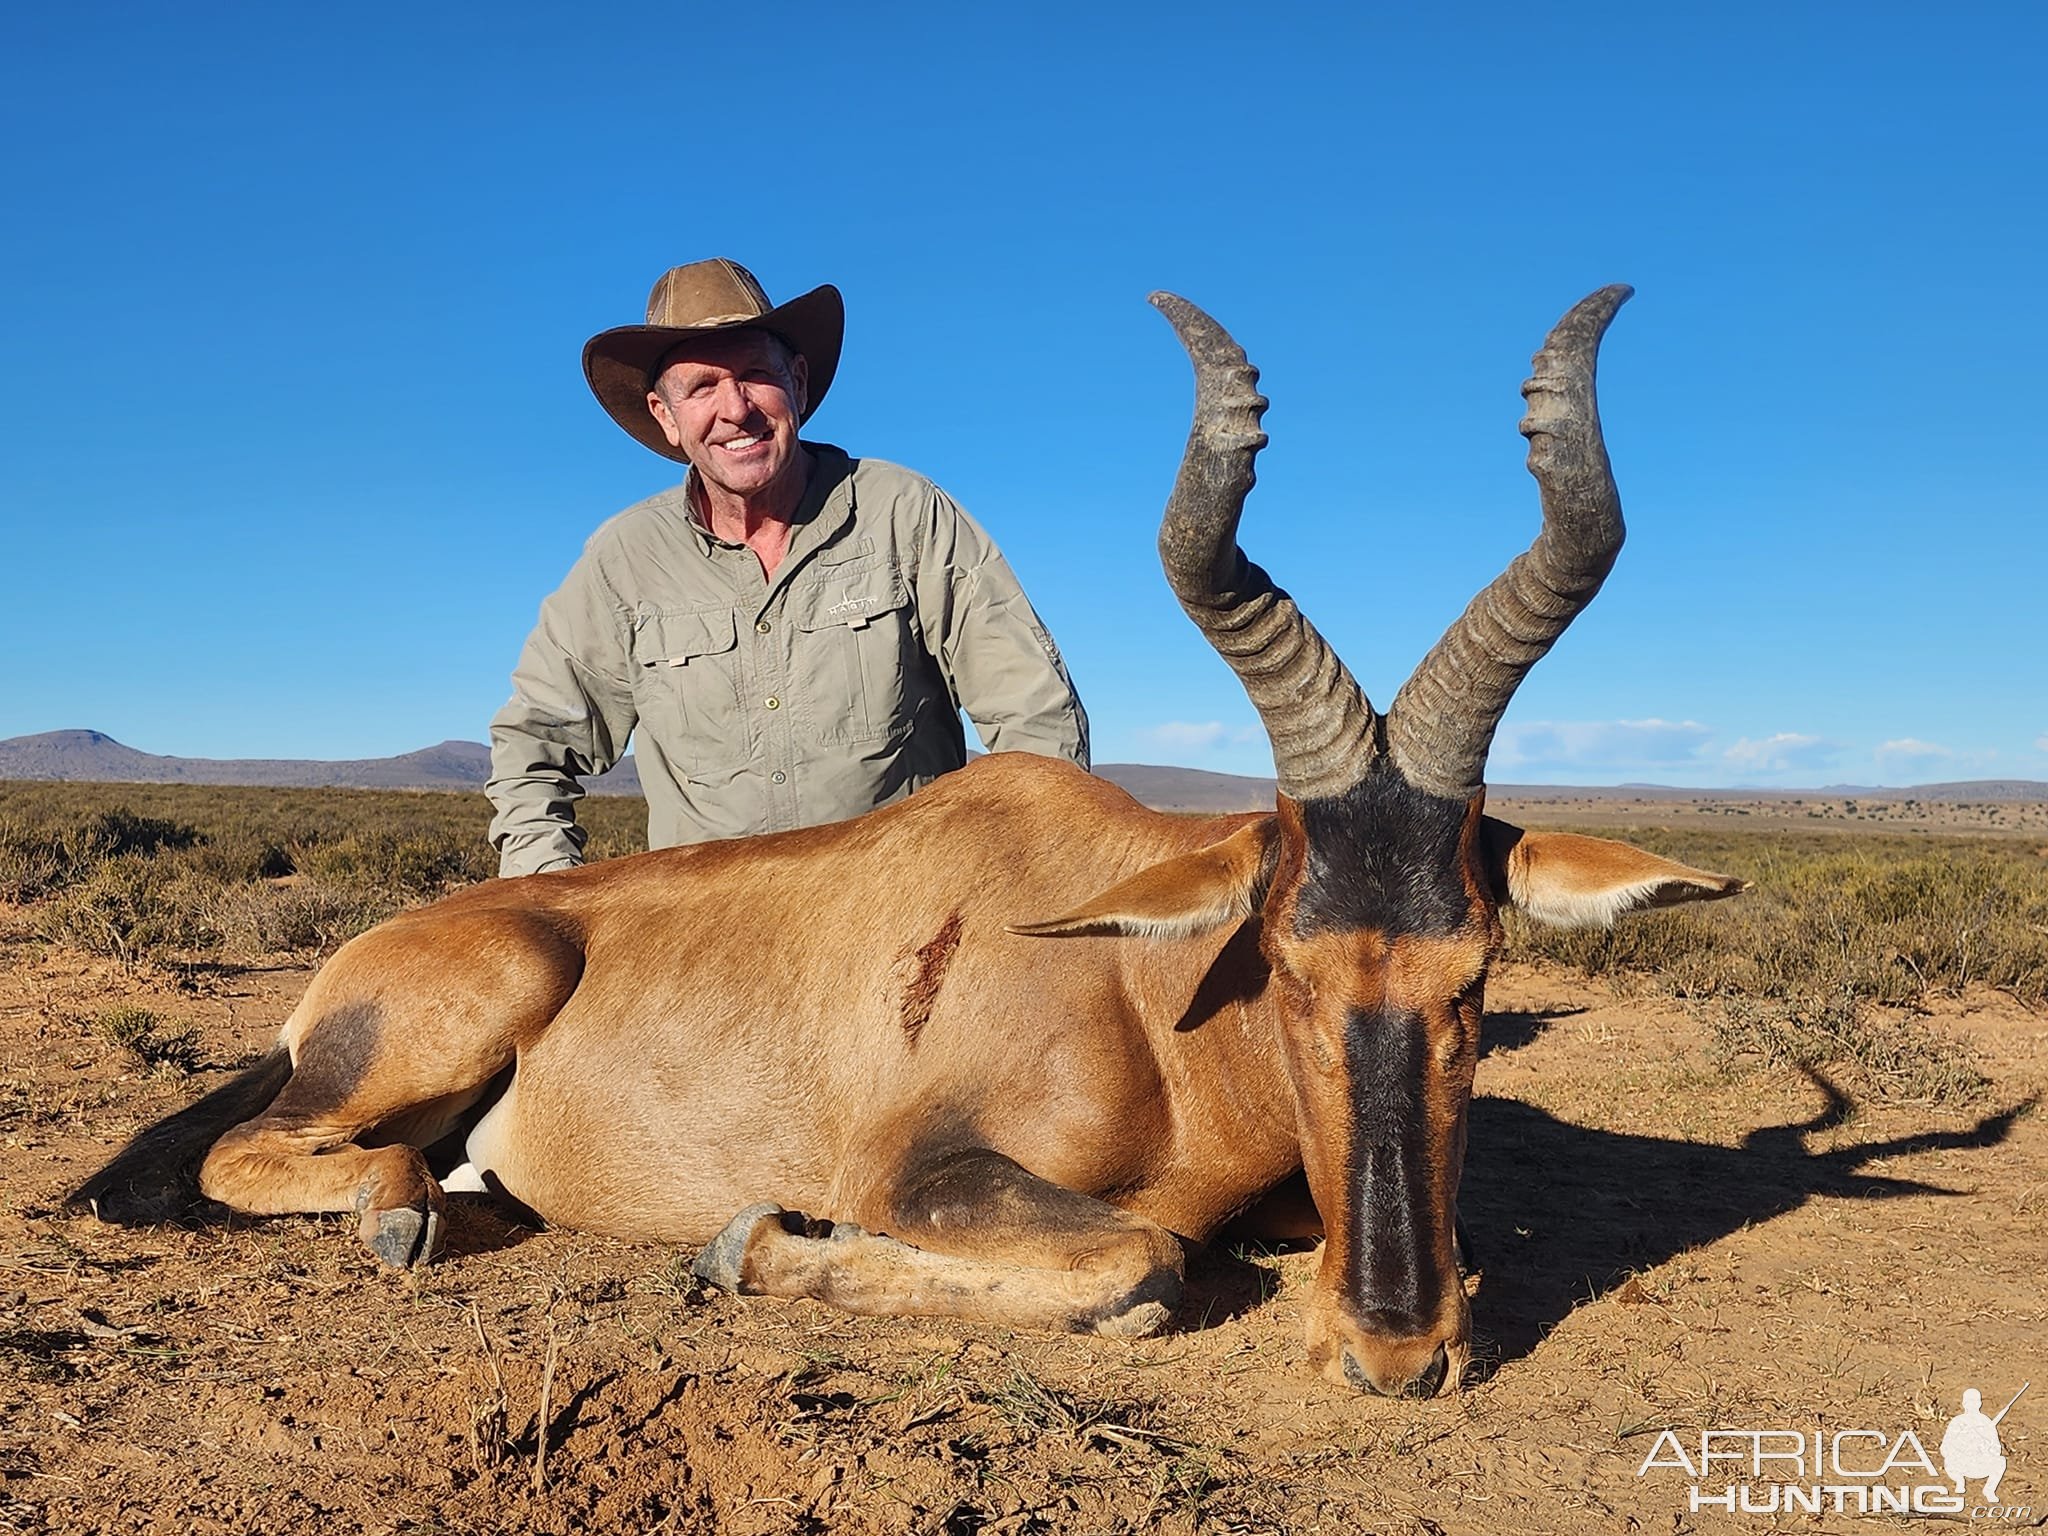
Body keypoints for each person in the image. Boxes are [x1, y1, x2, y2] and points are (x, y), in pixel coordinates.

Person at [486, 258, 1089, 875]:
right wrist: (549, 891)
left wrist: (1018, 881)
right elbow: (533, 743)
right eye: (700, 387)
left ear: (797, 383)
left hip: (902, 926)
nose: (735, 408)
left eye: (755, 375)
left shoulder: (904, 515)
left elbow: (1035, 717)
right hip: (707, 937)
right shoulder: (625, 561)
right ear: (666, 417)